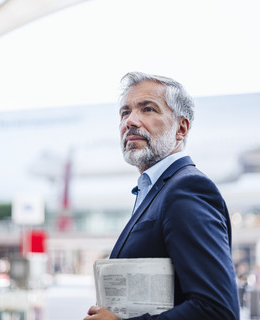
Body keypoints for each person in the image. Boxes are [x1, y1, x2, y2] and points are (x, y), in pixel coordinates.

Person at [84, 72, 240, 320]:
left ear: (181, 128)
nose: (131, 121)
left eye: (147, 109)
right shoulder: (154, 190)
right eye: (125, 112)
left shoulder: (187, 189)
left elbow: (217, 311)